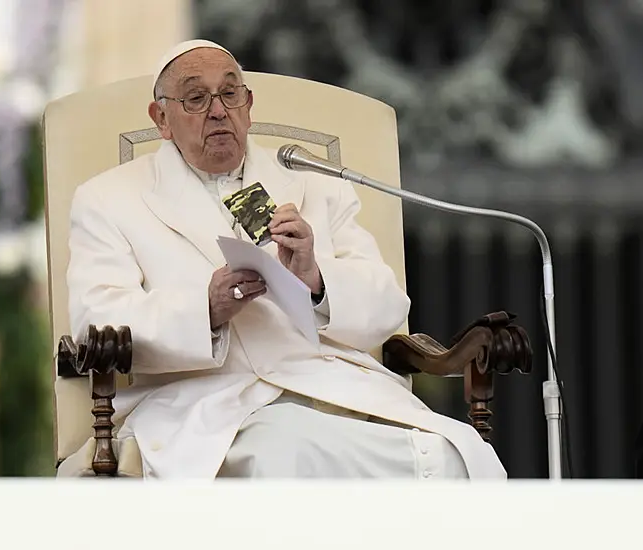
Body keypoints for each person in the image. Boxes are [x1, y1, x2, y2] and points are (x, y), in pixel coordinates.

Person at [62, 39, 507, 479]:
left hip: (336, 390)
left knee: (453, 456)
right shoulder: (108, 199)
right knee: (287, 449)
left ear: (249, 105)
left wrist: (316, 279)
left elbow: (388, 305)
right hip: (209, 406)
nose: (218, 111)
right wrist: (205, 308)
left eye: (230, 93)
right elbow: (97, 322)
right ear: (161, 118)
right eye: (196, 98)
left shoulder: (314, 180)